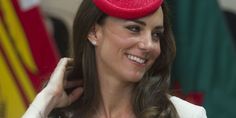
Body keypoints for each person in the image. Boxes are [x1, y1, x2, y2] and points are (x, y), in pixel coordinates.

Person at [22, 0, 207, 117]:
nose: (148, 44)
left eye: (156, 34)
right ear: (93, 32)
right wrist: (46, 99)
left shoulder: (185, 114)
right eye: (134, 29)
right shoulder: (55, 112)